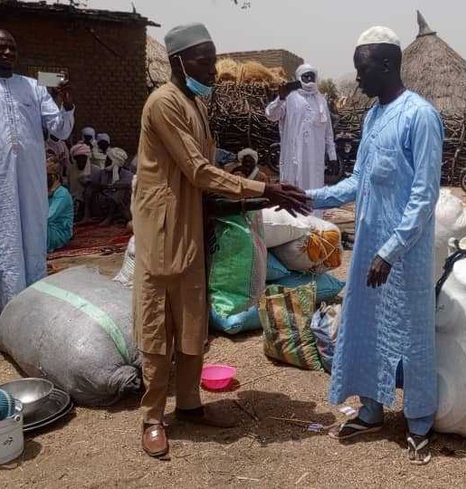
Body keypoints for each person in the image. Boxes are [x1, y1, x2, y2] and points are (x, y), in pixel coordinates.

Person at [133, 22, 310, 460]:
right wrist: (263, 190)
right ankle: (153, 417)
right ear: (179, 62)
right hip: (163, 229)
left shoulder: (195, 102)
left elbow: (207, 163)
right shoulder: (164, 103)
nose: (213, 69)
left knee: (193, 318)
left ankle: (189, 404)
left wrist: (244, 179)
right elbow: (197, 170)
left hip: (194, 223)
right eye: (204, 61)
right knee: (158, 325)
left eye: (213, 59)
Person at [307, 26, 443, 465]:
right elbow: (358, 181)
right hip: (368, 249)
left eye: (362, 69)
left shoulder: (420, 116)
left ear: (386, 65)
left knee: (412, 334)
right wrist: (308, 197)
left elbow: (424, 196)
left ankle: (419, 422)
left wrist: (391, 250)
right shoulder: (371, 117)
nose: (357, 78)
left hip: (405, 254)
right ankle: (370, 410)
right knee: (366, 326)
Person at [0, 29, 75, 343]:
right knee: (2, 249)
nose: (8, 52)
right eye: (1, 47)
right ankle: (5, 321)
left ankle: (32, 320)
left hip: (31, 182)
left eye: (13, 48)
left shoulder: (33, 87)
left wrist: (66, 102)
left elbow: (60, 130)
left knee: (34, 245)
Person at [266, 63, 337, 215]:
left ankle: (314, 223)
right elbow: (271, 115)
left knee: (314, 192)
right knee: (293, 190)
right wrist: (280, 98)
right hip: (294, 159)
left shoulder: (321, 101)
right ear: (299, 78)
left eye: (312, 76)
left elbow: (328, 131)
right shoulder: (289, 97)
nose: (309, 79)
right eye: (306, 76)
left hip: (315, 159)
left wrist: (332, 156)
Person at [88, 147, 134, 226]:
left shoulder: (127, 174)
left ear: (114, 162)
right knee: (89, 190)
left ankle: (109, 217)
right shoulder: (103, 172)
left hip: (120, 201)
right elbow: (96, 183)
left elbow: (123, 185)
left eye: (108, 160)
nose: (106, 162)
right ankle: (87, 216)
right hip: (105, 197)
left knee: (119, 192)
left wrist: (111, 186)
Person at [46, 160, 73, 252]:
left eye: (48, 175)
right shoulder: (44, 191)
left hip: (58, 232)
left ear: (56, 177)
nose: (45, 178)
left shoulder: (62, 193)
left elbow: (50, 216)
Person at [68, 143, 99, 223]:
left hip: (90, 197)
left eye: (83, 158)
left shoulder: (95, 169)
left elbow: (97, 187)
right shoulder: (71, 169)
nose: (81, 160)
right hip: (74, 197)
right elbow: (69, 185)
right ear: (75, 159)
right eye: (79, 158)